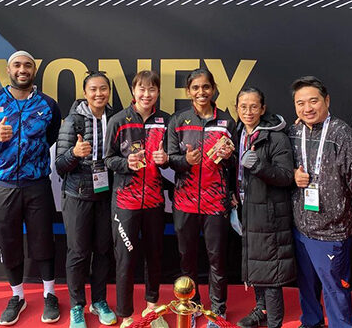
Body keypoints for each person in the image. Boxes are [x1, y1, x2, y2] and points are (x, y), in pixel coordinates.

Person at [0, 50, 61, 326]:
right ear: (8, 70)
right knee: (8, 241)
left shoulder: (48, 104)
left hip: (37, 184)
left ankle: (49, 294)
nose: (22, 69)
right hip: (2, 185)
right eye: (17, 65)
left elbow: (51, 136)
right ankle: (18, 296)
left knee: (43, 239)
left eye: (28, 65)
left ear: (34, 71)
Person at [288, 76, 352, 328]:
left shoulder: (343, 134)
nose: (307, 108)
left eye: (313, 101)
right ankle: (310, 322)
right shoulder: (294, 131)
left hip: (332, 230)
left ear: (327, 100)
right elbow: (282, 167)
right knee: (306, 283)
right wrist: (292, 175)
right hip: (301, 226)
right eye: (300, 103)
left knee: (335, 289)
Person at [167, 68, 236, 328]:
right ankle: (192, 307)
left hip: (215, 203)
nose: (201, 92)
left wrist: (229, 157)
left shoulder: (227, 121)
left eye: (205, 87)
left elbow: (236, 162)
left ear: (214, 88)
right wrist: (185, 161)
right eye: (195, 88)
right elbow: (170, 159)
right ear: (188, 91)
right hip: (184, 202)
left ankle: (218, 312)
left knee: (217, 260)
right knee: (187, 259)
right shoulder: (179, 120)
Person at [104, 70, 170, 328]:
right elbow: (108, 158)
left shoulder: (166, 121)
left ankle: (152, 308)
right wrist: (126, 163)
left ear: (157, 92)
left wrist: (166, 160)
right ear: (133, 91)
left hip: (154, 201)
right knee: (126, 259)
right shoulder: (119, 120)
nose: (146, 94)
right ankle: (126, 314)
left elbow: (173, 155)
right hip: (125, 202)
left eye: (152, 90)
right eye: (142, 89)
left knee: (154, 255)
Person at [55, 71, 116, 328]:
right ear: (85, 92)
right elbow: (59, 165)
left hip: (106, 194)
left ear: (109, 92)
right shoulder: (73, 121)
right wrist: (74, 153)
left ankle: (99, 301)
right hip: (77, 194)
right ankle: (77, 306)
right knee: (78, 252)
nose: (99, 93)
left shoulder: (115, 118)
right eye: (93, 89)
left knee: (102, 251)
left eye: (103, 89)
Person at [234, 88, 295, 328]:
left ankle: (274, 322)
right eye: (243, 106)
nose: (248, 112)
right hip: (246, 207)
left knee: (270, 271)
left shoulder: (275, 137)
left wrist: (258, 165)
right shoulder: (238, 133)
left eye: (253, 107)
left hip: (268, 212)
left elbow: (285, 176)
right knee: (255, 264)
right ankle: (261, 310)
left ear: (262, 108)